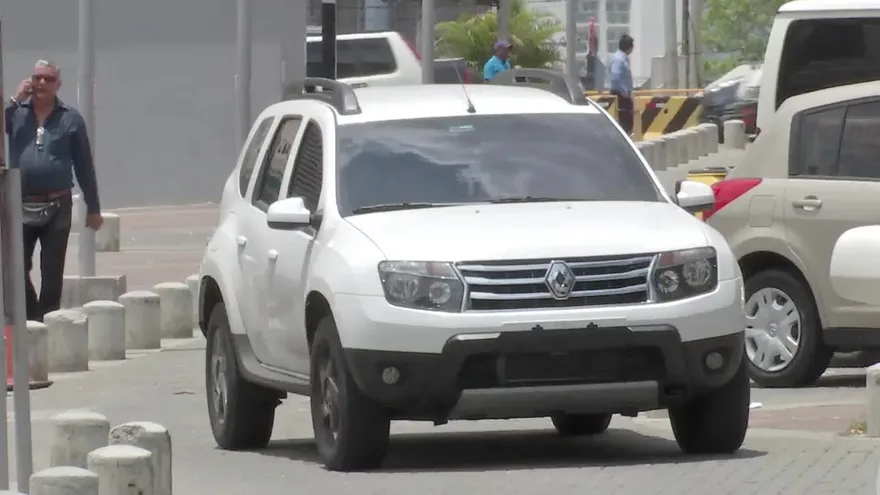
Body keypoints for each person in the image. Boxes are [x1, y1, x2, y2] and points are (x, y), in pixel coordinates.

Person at [5, 60, 103, 321]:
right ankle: (30, 317)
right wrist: (15, 99)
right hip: (20, 203)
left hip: (58, 205)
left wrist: (93, 207)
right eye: (37, 78)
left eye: (48, 79)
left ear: (58, 85)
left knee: (51, 271)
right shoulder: (16, 114)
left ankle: (46, 322)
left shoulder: (70, 118)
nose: (41, 84)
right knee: (16, 267)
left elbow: (84, 165)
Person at [609, 34, 635, 134]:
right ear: (629, 47)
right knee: (625, 123)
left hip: (623, 95)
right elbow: (615, 77)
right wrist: (624, 93)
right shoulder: (618, 59)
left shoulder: (622, 58)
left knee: (628, 122)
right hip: (620, 96)